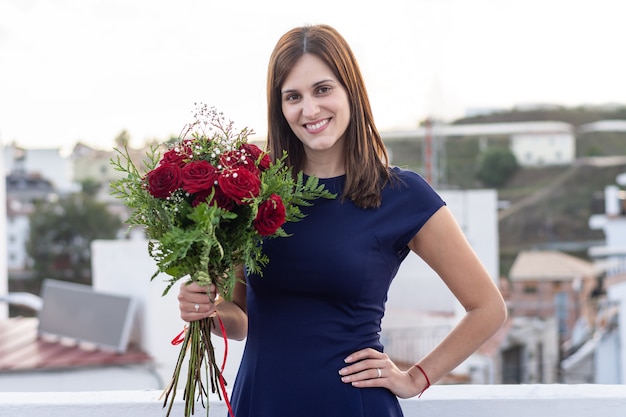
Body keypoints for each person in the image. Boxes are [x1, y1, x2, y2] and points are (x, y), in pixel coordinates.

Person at [178, 24, 507, 417]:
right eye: (293, 97)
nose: (310, 109)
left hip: (353, 405)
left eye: (323, 89)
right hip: (260, 402)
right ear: (280, 108)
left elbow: (488, 308)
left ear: (350, 90)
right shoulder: (253, 194)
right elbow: (242, 317)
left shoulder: (402, 195)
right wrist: (209, 310)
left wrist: (415, 378)